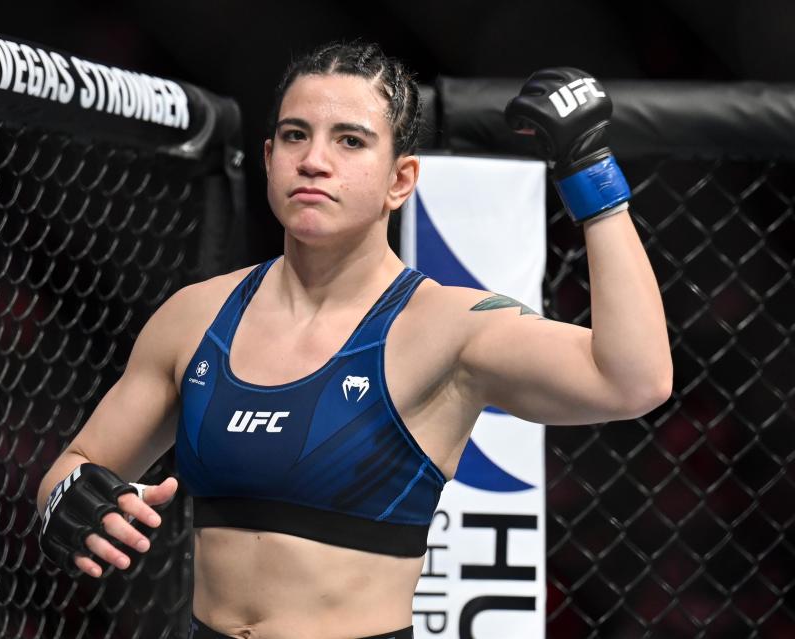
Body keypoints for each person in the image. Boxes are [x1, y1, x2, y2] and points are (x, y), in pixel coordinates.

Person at [36, 43, 673, 639]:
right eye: (295, 136)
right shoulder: (194, 316)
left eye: (350, 140)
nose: (314, 159)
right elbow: (78, 463)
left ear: (400, 180)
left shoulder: (448, 326)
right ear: (268, 159)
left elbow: (634, 381)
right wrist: (70, 502)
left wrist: (593, 177)